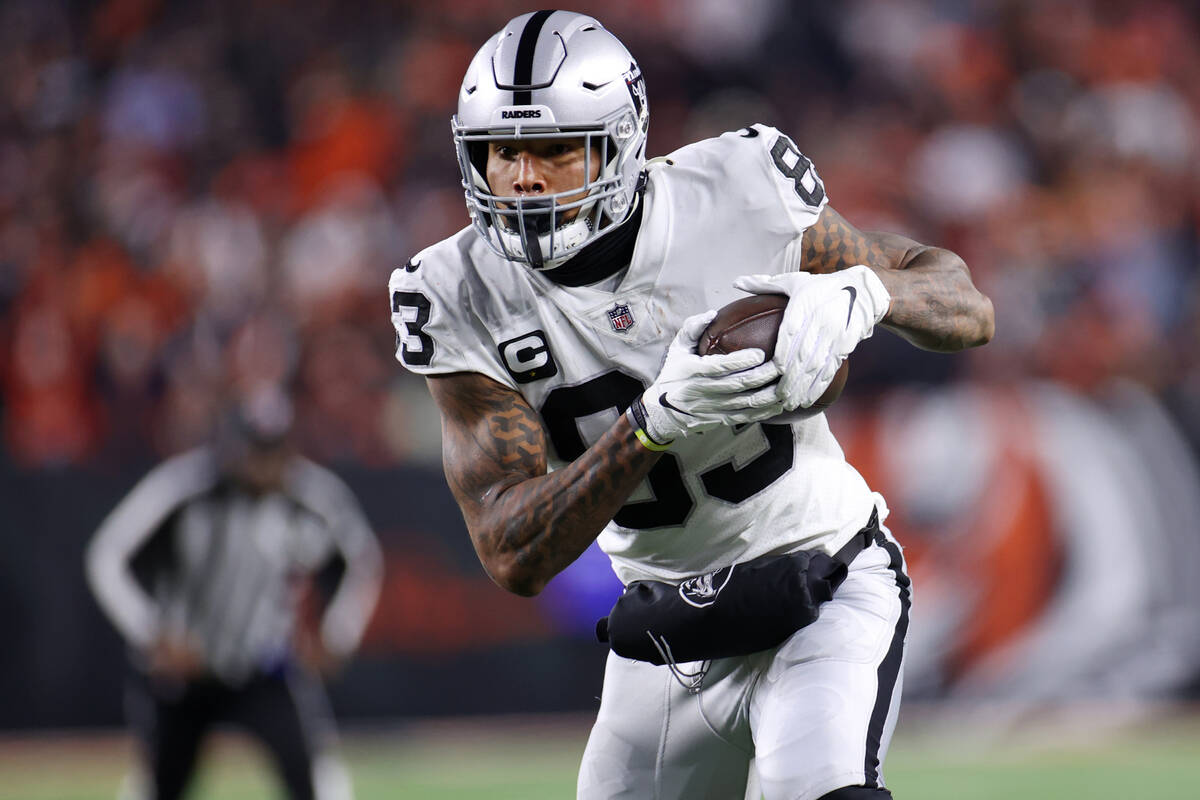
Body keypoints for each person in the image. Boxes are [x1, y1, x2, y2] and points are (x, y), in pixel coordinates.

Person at [388, 10, 993, 800]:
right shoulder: (455, 292)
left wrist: (868, 293)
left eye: (555, 149)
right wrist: (651, 427)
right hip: (667, 629)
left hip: (823, 578)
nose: (524, 177)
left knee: (821, 789)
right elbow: (512, 553)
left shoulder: (740, 191)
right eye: (504, 152)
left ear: (621, 143)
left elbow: (967, 306)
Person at [85, 387, 383, 800]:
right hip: (185, 673)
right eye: (257, 451)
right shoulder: (185, 488)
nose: (265, 466)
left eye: (274, 451)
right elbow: (107, 555)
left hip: (262, 667)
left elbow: (362, 560)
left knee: (318, 782)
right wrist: (151, 631)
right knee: (158, 786)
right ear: (233, 445)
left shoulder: (309, 496)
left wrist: (337, 636)